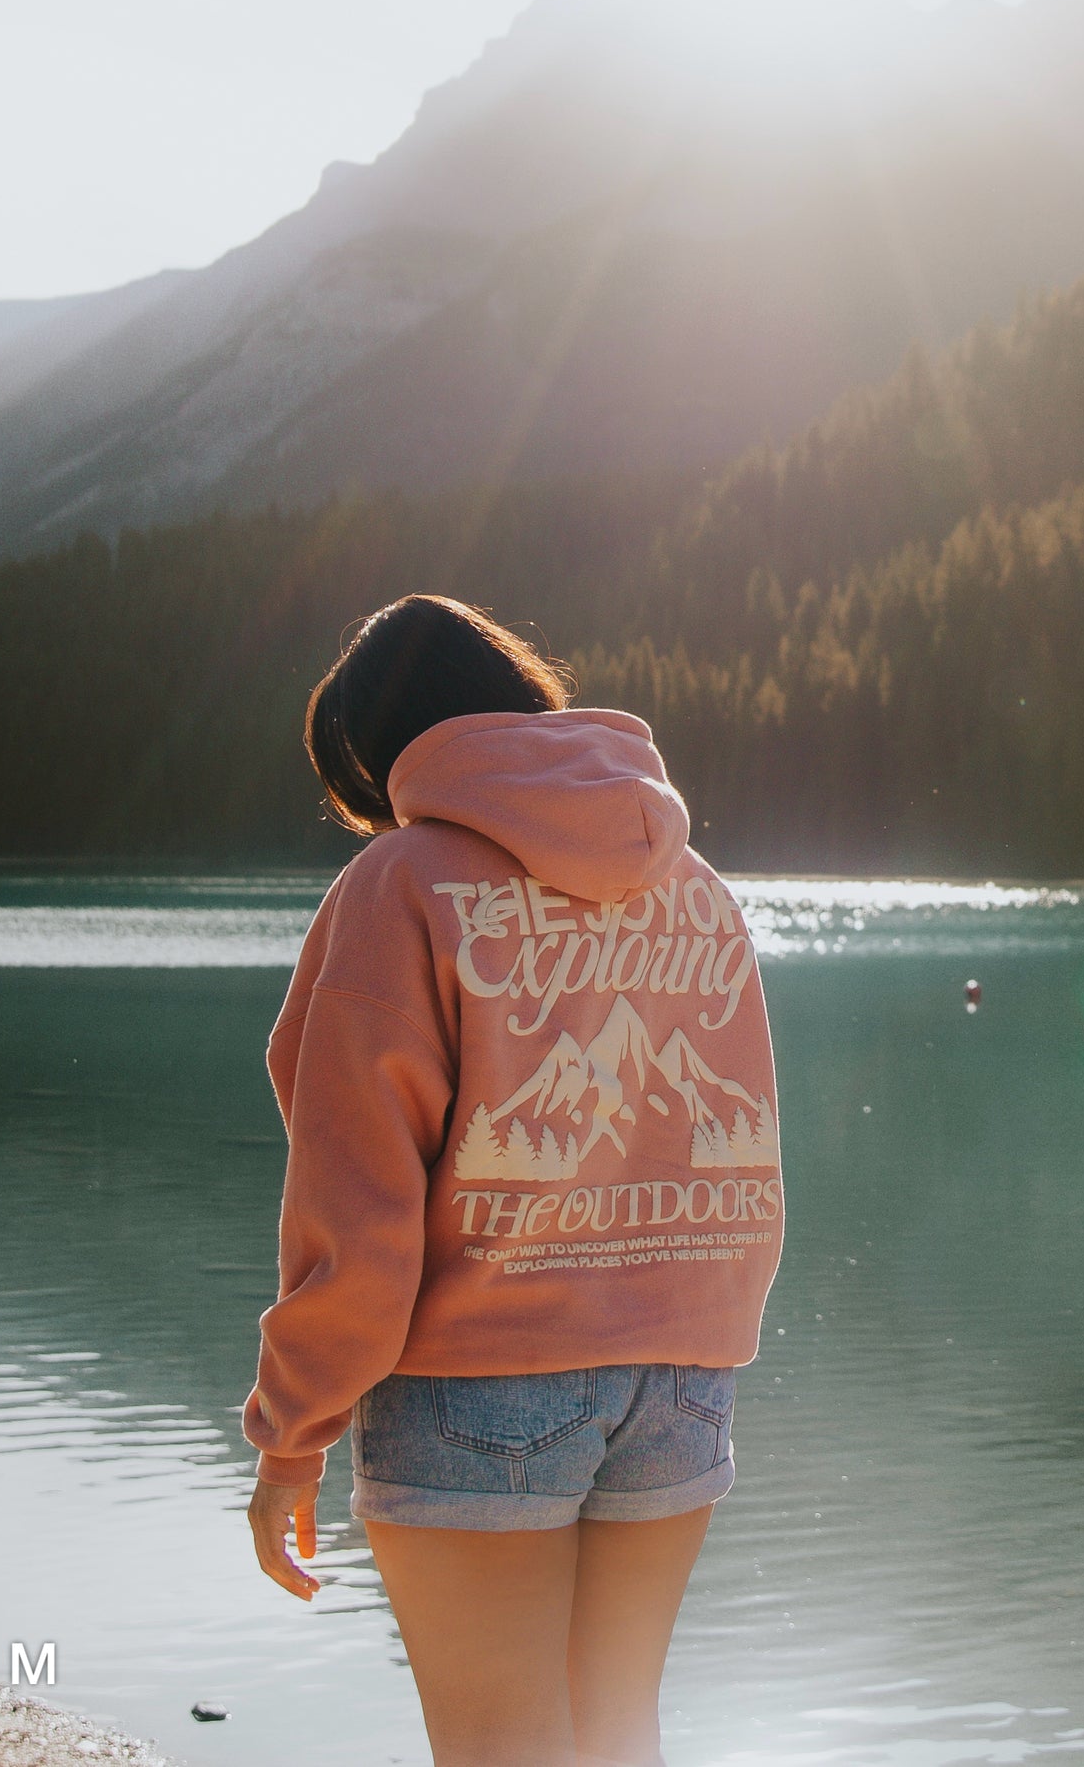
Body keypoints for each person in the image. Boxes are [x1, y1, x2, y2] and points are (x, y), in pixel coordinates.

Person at [243, 594, 783, 1767]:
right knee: (614, 1737)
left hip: (478, 1385)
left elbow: (357, 1205)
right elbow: (735, 1139)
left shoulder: (399, 884)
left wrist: (293, 1434)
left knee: (500, 1749)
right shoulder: (690, 881)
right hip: (683, 1379)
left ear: (386, 763)